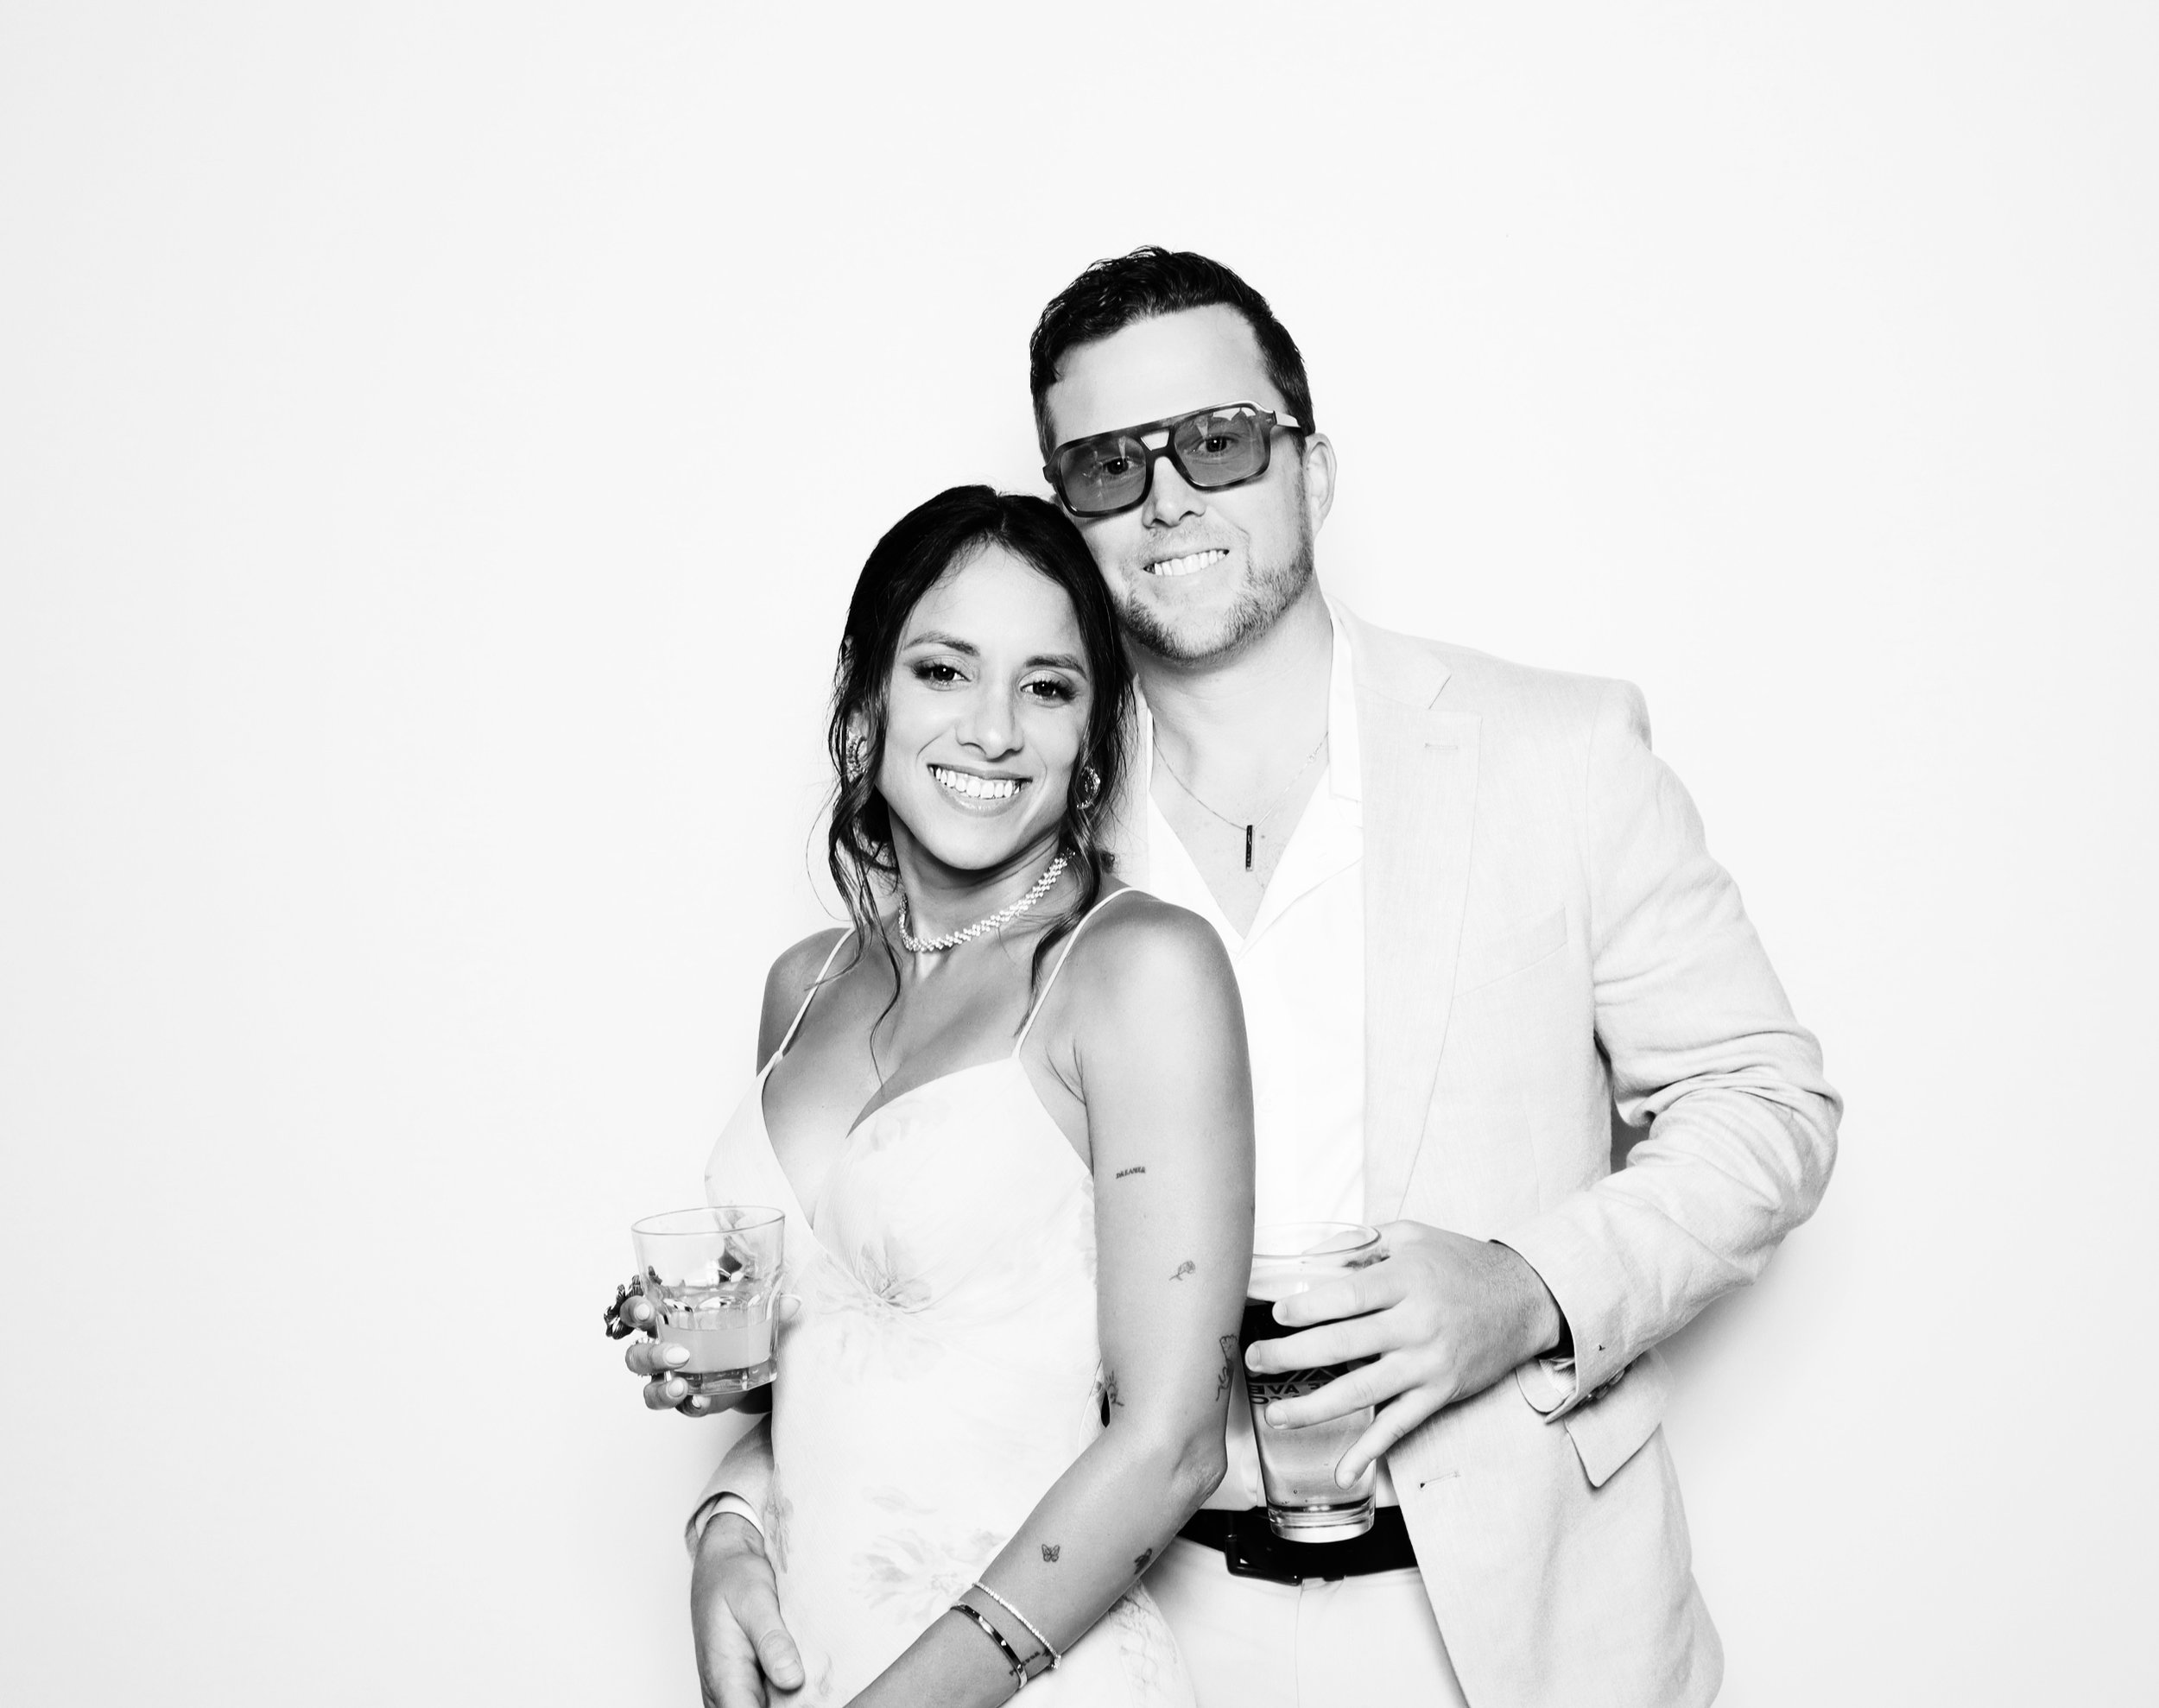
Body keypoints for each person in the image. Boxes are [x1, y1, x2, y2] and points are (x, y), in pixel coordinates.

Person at [651, 250, 1841, 1708]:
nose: (1167, 499)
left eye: (1217, 442)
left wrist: (1527, 1288)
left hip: (1514, 1616)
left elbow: (1765, 1105)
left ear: (1313, 470)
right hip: (1142, 1616)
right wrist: (733, 1510)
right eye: (1108, 465)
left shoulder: (1553, 754)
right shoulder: (1019, 817)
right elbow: (909, 1308)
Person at [628, 483, 1255, 1706]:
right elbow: (822, 1383)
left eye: (1047, 687)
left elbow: (1174, 1443)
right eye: (944, 671)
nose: (994, 728)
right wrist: (725, 1527)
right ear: (868, 701)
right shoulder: (805, 987)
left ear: (1092, 737)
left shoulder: (1137, 970)